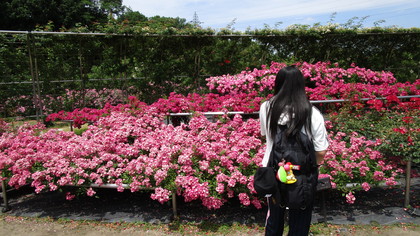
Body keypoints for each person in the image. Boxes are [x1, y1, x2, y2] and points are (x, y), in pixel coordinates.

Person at [259, 66, 329, 236]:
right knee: (301, 219)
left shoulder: (266, 108)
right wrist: (314, 164)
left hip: (273, 171)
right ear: (301, 85)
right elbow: (321, 150)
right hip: (303, 174)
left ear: (278, 83)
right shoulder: (312, 113)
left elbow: (265, 137)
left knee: (275, 218)